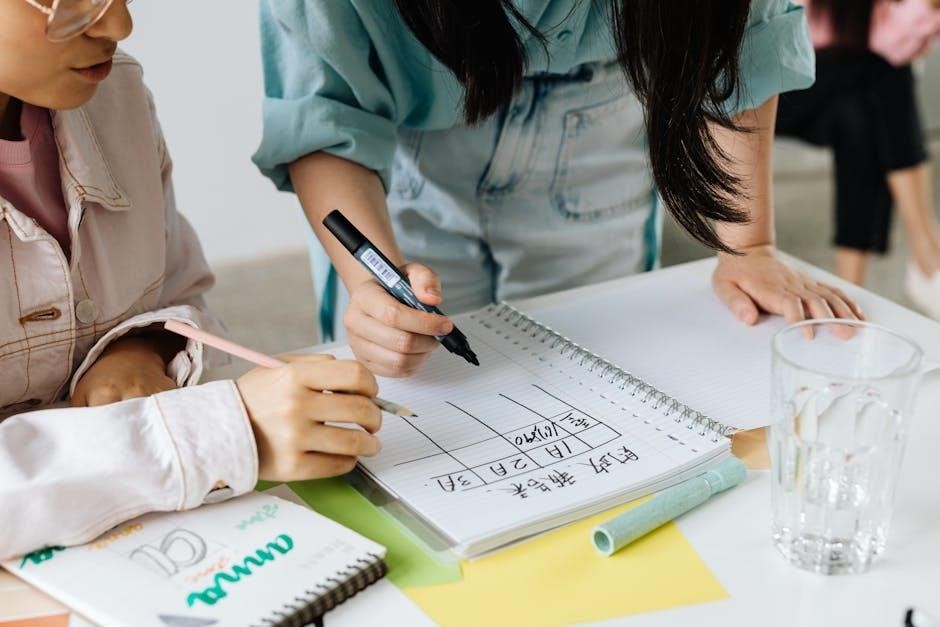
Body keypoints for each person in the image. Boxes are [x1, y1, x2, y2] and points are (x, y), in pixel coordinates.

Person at [254, 0, 864, 378]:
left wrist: (749, 245)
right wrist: (373, 285)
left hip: (601, 142)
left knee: (601, 376)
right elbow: (326, 115)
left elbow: (734, 40)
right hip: (404, 173)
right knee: (418, 376)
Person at [0, 0, 382, 561]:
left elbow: (177, 289)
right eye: (70, 1)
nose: (120, 24)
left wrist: (140, 347)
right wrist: (223, 433)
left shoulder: (113, 96)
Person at [776, 0, 940, 317]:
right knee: (880, 70)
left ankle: (849, 292)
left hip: (838, 88)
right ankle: (927, 251)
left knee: (858, 117)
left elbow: (890, 40)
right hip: (765, 87)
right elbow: (797, 41)